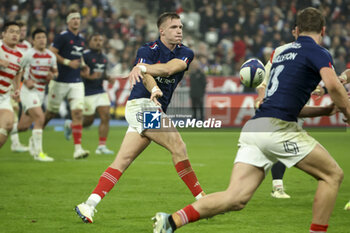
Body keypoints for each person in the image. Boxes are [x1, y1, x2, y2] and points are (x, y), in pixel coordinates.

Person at [153, 7, 350, 233]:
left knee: (235, 198)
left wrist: (324, 111)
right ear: (323, 30)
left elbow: (282, 103)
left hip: (255, 127)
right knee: (332, 175)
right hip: (279, 129)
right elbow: (333, 85)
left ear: (296, 31)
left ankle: (172, 221)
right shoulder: (319, 52)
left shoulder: (281, 53)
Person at [75, 12, 205, 223]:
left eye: (180, 27)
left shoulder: (186, 53)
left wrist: (143, 67)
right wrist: (153, 87)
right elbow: (146, 78)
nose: (179, 30)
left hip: (152, 109)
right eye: (173, 27)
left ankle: (88, 204)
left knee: (122, 161)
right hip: (141, 107)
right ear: (161, 31)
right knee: (178, 146)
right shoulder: (147, 50)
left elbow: (172, 68)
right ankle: (203, 200)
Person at [255, 23, 337, 199]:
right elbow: (264, 79)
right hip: (283, 107)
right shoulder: (284, 51)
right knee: (284, 144)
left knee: (280, 146)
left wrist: (319, 88)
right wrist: (261, 97)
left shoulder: (299, 51)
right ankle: (278, 186)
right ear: (294, 31)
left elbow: (324, 83)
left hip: (297, 106)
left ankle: (275, 185)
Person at [44, 9, 90, 159]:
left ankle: (78, 149)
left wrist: (83, 65)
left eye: (78, 18)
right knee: (50, 113)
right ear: (68, 22)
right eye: (73, 18)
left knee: (77, 113)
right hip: (59, 81)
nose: (76, 21)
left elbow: (79, 55)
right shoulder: (62, 37)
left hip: (76, 81)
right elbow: (51, 52)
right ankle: (35, 138)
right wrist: (67, 62)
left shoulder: (81, 39)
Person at [11, 28, 57, 162]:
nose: (42, 40)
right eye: (39, 38)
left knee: (22, 127)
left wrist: (52, 76)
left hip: (41, 92)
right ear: (33, 40)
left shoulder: (51, 56)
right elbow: (17, 71)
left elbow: (55, 72)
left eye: (44, 37)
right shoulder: (28, 54)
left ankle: (5, 129)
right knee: (40, 118)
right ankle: (38, 153)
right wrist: (24, 82)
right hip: (28, 91)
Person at [65, 33, 115, 154]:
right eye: (95, 40)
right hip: (86, 92)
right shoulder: (84, 56)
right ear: (90, 42)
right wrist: (88, 76)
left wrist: (108, 78)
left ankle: (101, 146)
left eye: (100, 40)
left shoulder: (104, 57)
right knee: (88, 121)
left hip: (100, 91)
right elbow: (76, 70)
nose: (98, 42)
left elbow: (101, 73)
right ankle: (70, 125)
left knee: (106, 116)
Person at [0, 22, 24, 149]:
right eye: (11, 31)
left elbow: (18, 71)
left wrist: (17, 89)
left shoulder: (20, 55)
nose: (15, 35)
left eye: (17, 32)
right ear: (3, 34)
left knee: (8, 124)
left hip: (3, 95)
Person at [9, 20, 31, 153]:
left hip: (19, 81)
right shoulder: (7, 45)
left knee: (15, 109)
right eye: (18, 31)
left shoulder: (27, 46)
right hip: (6, 80)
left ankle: (15, 142)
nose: (21, 33)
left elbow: (24, 66)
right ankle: (15, 143)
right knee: (14, 109)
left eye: (23, 31)